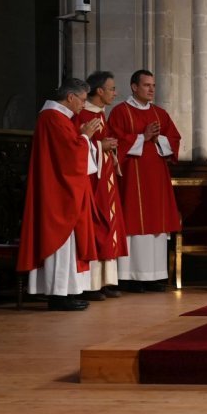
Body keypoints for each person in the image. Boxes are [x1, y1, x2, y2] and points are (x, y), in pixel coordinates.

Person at [16, 78, 99, 311]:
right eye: (82, 100)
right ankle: (58, 295)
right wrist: (85, 137)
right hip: (57, 193)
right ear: (70, 97)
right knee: (60, 242)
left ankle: (67, 292)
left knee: (69, 245)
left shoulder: (60, 118)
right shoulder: (52, 118)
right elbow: (69, 156)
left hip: (63, 189)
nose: (84, 105)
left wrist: (82, 137)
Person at [109, 69, 181, 292]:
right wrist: (142, 137)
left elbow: (175, 140)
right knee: (134, 222)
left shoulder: (160, 113)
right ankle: (130, 277)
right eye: (146, 85)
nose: (151, 89)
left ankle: (154, 277)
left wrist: (159, 139)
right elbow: (114, 143)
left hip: (157, 178)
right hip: (132, 177)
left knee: (156, 227)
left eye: (153, 85)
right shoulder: (120, 112)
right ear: (134, 87)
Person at [75, 71, 126, 299]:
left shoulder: (101, 114)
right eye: (112, 89)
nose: (115, 93)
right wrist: (100, 146)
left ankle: (105, 281)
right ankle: (92, 284)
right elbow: (77, 147)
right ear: (99, 91)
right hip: (93, 181)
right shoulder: (82, 115)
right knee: (97, 226)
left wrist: (110, 147)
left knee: (109, 224)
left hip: (106, 178)